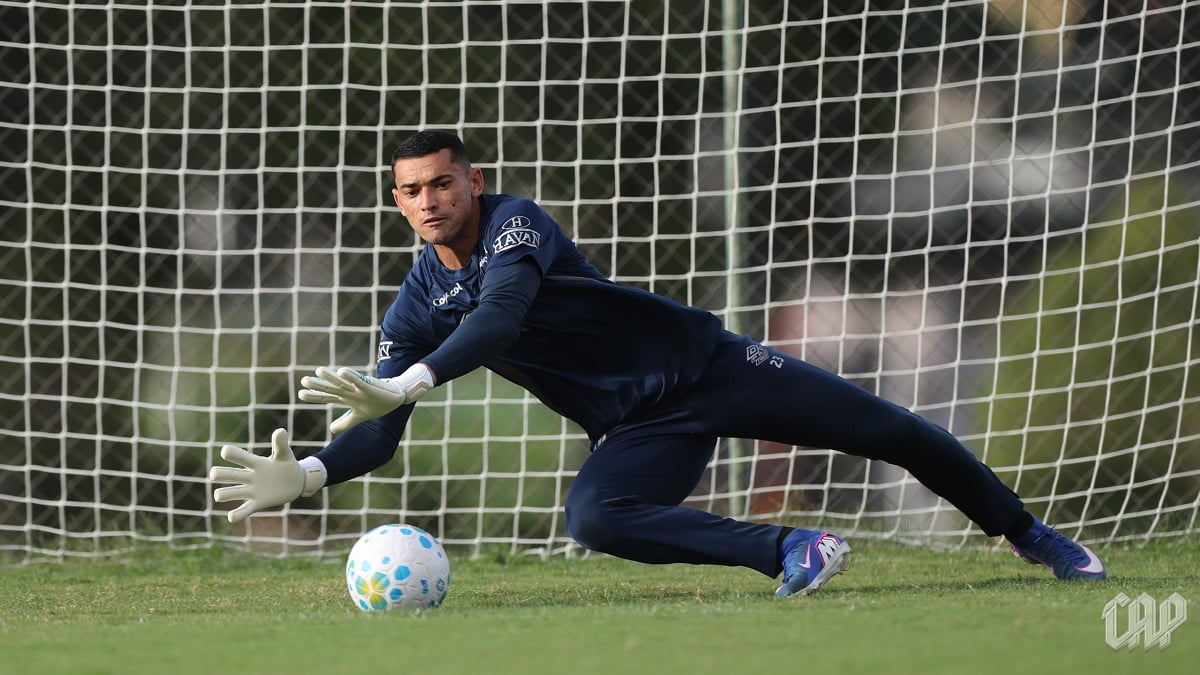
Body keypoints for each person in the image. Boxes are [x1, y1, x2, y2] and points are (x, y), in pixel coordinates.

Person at [209, 130, 1107, 596]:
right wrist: (313, 471)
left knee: (892, 430)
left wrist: (408, 380)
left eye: (444, 181)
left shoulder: (516, 223)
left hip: (710, 366)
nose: (430, 198)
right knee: (596, 515)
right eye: (412, 189)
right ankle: (794, 549)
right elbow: (380, 432)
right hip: (637, 426)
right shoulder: (412, 306)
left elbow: (500, 318)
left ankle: (1033, 536)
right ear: (398, 202)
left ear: (472, 182)